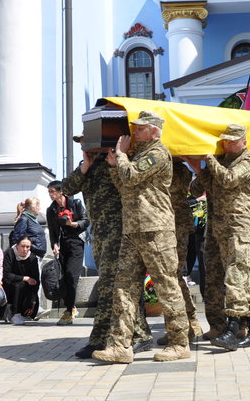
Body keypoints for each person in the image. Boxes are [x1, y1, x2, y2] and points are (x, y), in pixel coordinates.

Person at [93, 110, 190, 364]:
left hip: (156, 230)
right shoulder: (138, 156)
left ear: (155, 131)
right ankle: (120, 346)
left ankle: (179, 342)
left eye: (140, 128)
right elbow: (124, 184)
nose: (134, 131)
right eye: (135, 127)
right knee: (123, 287)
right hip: (133, 230)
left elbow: (132, 176)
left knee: (167, 287)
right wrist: (115, 166)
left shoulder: (158, 153)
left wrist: (122, 157)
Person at [62, 137, 153, 359]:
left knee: (112, 286)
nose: (84, 145)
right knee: (111, 286)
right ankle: (135, 335)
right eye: (82, 142)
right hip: (100, 235)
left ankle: (104, 338)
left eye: (87, 140)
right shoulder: (90, 164)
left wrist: (116, 162)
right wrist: (85, 166)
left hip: (119, 231)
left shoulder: (121, 160)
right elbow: (67, 188)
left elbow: (132, 188)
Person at [185, 123, 250, 351]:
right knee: (214, 279)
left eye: (232, 140)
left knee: (236, 278)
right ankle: (239, 328)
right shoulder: (220, 161)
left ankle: (234, 328)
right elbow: (196, 190)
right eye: (225, 140)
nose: (227, 144)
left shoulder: (248, 162)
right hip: (216, 229)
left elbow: (228, 180)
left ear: (244, 142)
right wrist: (198, 169)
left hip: (238, 228)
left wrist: (209, 158)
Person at [155, 159, 202, 345]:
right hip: (163, 222)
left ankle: (190, 322)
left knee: (174, 274)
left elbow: (169, 188)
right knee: (170, 275)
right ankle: (181, 324)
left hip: (177, 222)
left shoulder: (181, 169)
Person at [46, 180, 89, 325]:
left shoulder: (75, 203)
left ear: (60, 191)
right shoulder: (51, 209)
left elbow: (86, 220)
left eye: (53, 191)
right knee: (64, 277)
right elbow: (52, 230)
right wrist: (54, 244)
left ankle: (69, 310)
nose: (51, 194)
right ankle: (71, 307)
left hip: (76, 242)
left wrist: (73, 224)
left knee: (72, 275)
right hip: (63, 244)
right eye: (49, 192)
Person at [3, 236, 41, 325]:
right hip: (9, 287)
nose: (25, 249)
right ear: (17, 246)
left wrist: (33, 301)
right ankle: (15, 313)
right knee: (19, 284)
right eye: (22, 246)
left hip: (26, 290)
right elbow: (6, 275)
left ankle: (19, 311)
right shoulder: (9, 253)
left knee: (31, 310)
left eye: (28, 247)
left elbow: (36, 281)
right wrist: (25, 278)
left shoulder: (32, 258)